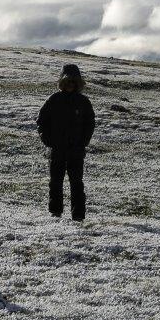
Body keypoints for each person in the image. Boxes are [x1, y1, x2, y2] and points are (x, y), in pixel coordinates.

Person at [37, 63, 96, 221]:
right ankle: (55, 212)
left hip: (76, 151)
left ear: (77, 84)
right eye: (68, 81)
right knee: (55, 182)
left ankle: (78, 216)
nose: (70, 85)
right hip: (57, 150)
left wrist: (83, 142)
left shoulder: (83, 102)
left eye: (73, 82)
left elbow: (90, 123)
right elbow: (41, 121)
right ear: (62, 82)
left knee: (76, 183)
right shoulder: (54, 100)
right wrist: (48, 141)